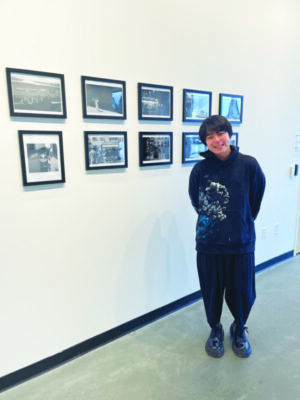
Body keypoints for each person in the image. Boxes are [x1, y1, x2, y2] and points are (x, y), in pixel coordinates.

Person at [188, 115, 265, 358]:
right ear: (205, 142)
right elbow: (196, 201)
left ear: (229, 135)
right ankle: (215, 329)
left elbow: (254, 200)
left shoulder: (249, 165)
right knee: (211, 292)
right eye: (209, 137)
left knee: (243, 293)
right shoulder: (200, 169)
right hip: (209, 243)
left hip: (241, 243)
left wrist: (239, 221)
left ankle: (239, 329)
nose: (216, 140)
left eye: (220, 133)